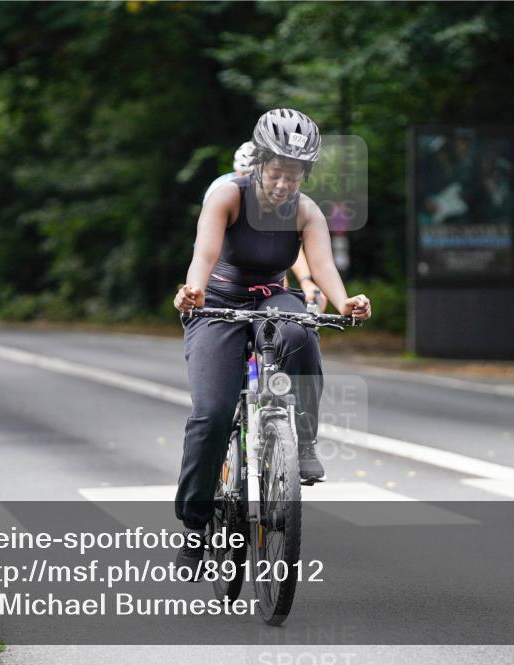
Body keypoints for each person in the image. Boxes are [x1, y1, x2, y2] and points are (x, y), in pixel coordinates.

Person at [172, 108, 371, 567]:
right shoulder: (227, 196)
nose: (284, 185)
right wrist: (193, 290)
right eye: (277, 173)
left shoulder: (306, 211)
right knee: (212, 413)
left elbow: (321, 267)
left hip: (271, 297)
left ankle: (302, 441)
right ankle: (196, 525)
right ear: (259, 163)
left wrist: (345, 303)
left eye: (294, 176)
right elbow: (204, 252)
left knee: (300, 332)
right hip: (217, 301)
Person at [204, 141, 327, 312]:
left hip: (264, 272)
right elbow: (208, 246)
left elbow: (287, 243)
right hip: (224, 266)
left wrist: (306, 280)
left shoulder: (280, 196)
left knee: (279, 288)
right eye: (244, 175)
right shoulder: (222, 190)